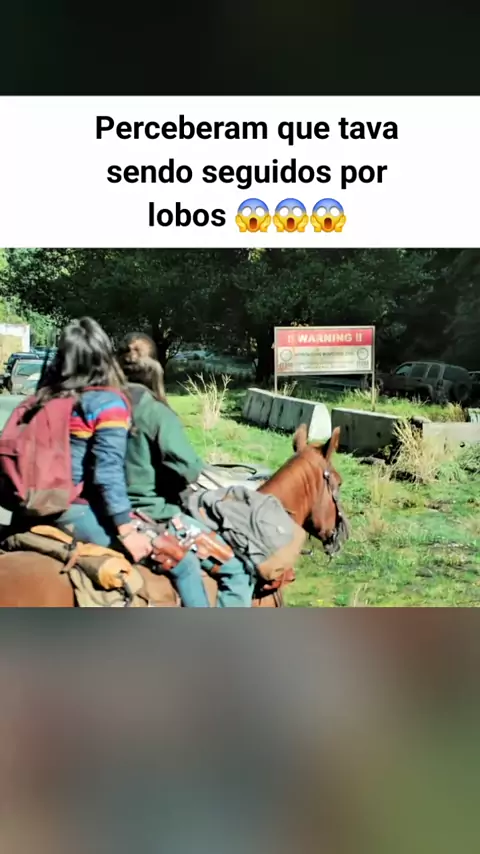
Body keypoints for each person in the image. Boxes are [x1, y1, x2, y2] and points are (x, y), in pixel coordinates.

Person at [14, 317, 153, 566]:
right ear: (104, 356)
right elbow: (107, 473)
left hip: (26, 508)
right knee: (178, 564)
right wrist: (127, 530)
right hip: (71, 509)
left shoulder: (41, 399)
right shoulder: (107, 404)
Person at [120, 355, 256, 607]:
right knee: (239, 571)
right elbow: (189, 469)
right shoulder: (155, 412)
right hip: (153, 515)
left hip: (109, 514)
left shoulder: (101, 407)